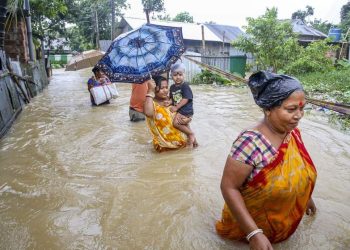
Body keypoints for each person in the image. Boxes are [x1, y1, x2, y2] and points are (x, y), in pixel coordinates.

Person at [216, 71, 317, 249]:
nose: (299, 115)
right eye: (291, 109)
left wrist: (305, 196)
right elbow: (228, 187)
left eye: (302, 109)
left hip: (282, 224)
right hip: (247, 231)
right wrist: (254, 233)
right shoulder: (250, 142)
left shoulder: (292, 133)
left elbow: (298, 169)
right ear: (268, 109)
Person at [143, 76, 188, 152]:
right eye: (162, 88)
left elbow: (185, 112)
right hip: (165, 148)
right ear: (155, 88)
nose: (165, 90)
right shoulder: (150, 103)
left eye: (166, 87)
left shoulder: (171, 100)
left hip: (183, 145)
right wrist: (150, 91)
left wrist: (187, 120)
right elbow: (148, 113)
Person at [169, 63, 198, 147]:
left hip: (185, 109)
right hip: (181, 110)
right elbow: (173, 99)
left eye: (180, 74)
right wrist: (169, 102)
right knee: (185, 125)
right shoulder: (172, 87)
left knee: (176, 123)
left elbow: (186, 99)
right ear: (171, 76)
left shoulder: (185, 86)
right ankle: (195, 143)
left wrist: (176, 107)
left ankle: (191, 134)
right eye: (175, 75)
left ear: (184, 75)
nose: (178, 77)